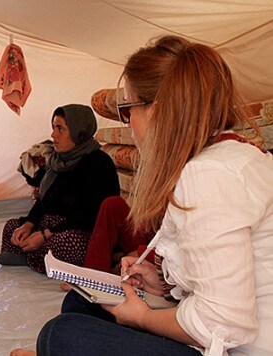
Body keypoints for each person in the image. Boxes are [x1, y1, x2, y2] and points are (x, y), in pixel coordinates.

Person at [14, 35, 273, 355]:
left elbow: (225, 324)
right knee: (79, 301)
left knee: (60, 334)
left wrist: (144, 318)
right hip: (229, 333)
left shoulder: (208, 174)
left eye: (127, 110)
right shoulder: (231, 158)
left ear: (159, 111)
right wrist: (161, 286)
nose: (130, 123)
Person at [0, 104, 120, 273]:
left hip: (79, 230)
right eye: (54, 128)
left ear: (78, 131)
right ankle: (40, 257)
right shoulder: (58, 161)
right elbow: (43, 201)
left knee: (67, 244)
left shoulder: (98, 163)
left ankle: (33, 256)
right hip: (50, 226)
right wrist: (28, 225)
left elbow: (90, 215)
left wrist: (45, 234)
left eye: (60, 129)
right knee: (12, 227)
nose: (53, 135)